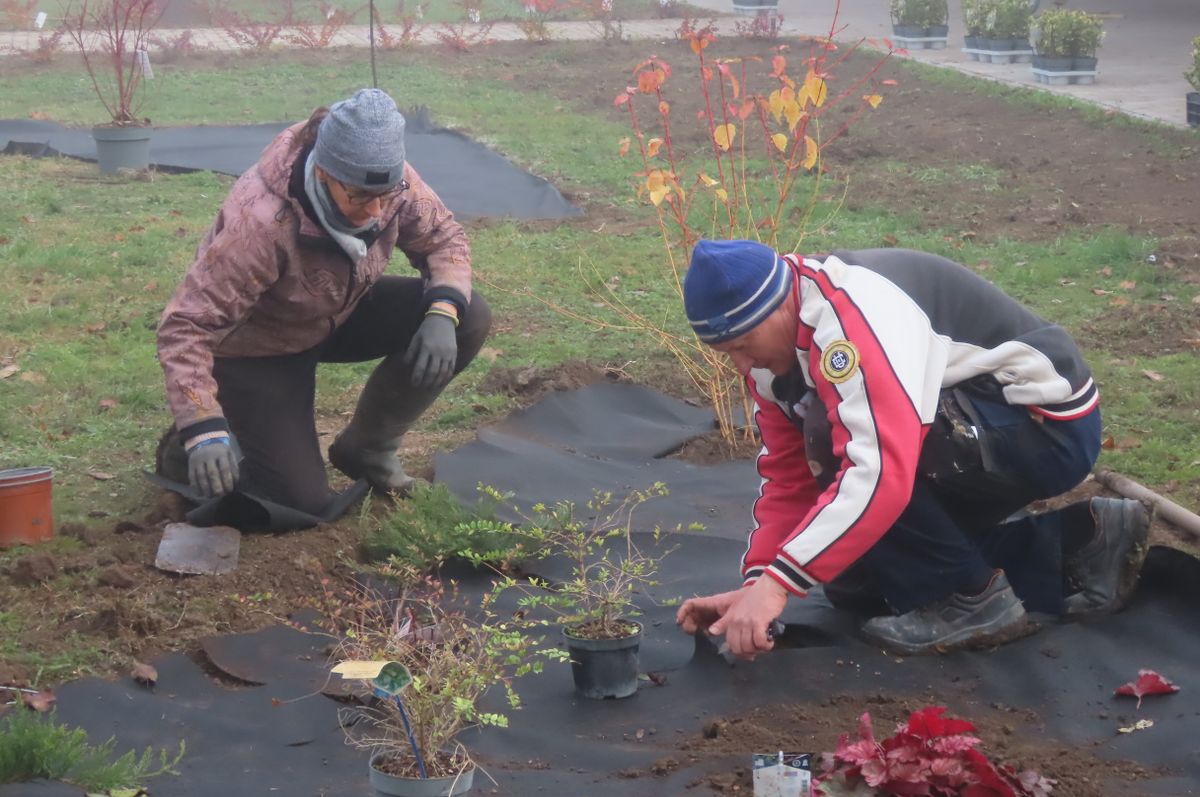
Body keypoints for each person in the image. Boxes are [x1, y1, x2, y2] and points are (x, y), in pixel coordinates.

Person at [675, 239, 1150, 657]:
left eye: (743, 343)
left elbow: (879, 467)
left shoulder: (849, 316)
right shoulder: (769, 357)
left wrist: (781, 584)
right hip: (968, 427)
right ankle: (1082, 541)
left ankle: (969, 600)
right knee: (855, 583)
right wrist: (760, 583)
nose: (740, 363)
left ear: (778, 306)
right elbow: (790, 473)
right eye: (726, 353)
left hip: (1042, 426)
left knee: (835, 438)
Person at [156, 88, 490, 520]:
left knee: (468, 314)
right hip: (258, 350)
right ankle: (191, 450)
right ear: (324, 173)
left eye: (384, 196)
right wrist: (201, 426)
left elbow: (444, 238)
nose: (374, 211)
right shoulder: (260, 222)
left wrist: (443, 311)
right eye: (356, 197)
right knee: (300, 504)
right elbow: (186, 327)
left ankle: (367, 450)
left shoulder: (388, 181)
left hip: (337, 309)